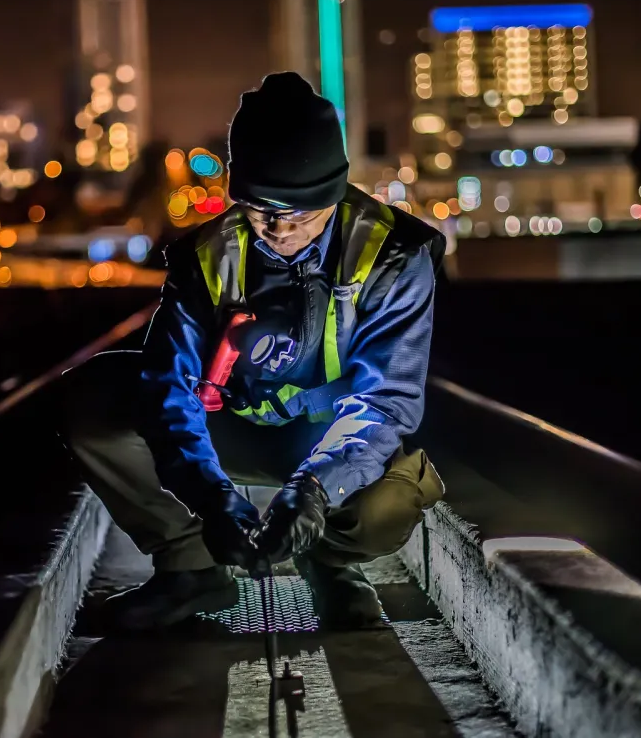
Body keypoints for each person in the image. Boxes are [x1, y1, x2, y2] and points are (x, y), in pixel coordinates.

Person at [62, 71, 446, 630]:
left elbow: (386, 401)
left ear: (334, 193)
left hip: (328, 435)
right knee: (92, 398)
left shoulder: (395, 256)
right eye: (262, 207)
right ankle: (189, 570)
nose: (279, 227)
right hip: (233, 431)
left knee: (386, 504)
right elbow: (169, 386)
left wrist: (314, 489)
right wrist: (210, 495)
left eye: (301, 212)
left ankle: (331, 565)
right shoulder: (205, 256)